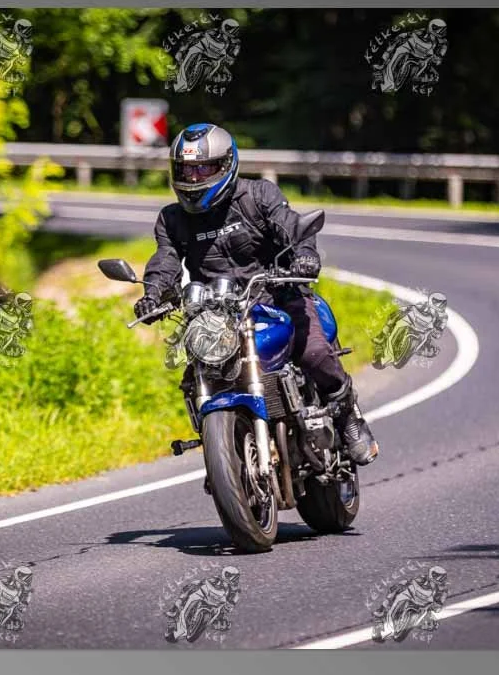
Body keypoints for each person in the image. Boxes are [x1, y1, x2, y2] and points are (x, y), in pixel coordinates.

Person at [133, 123, 378, 466]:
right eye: (187, 170)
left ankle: (348, 415)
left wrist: (305, 256)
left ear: (226, 165)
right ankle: (226, 456)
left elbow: (291, 226)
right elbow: (166, 259)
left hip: (277, 295)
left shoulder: (259, 196)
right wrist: (154, 292)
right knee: (195, 376)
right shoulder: (172, 219)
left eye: (204, 168)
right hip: (218, 313)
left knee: (313, 352)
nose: (194, 177)